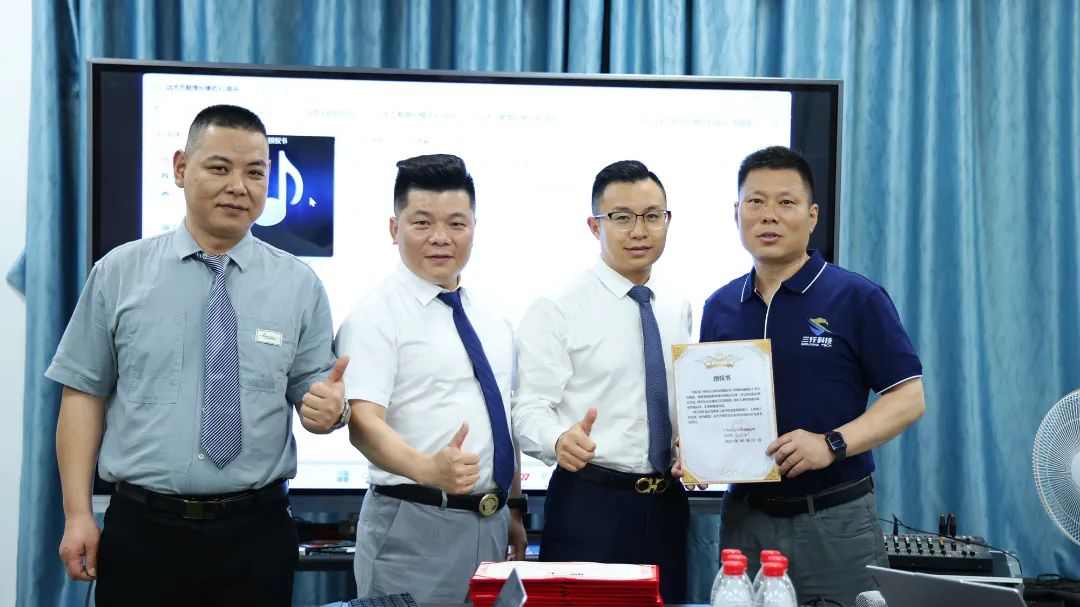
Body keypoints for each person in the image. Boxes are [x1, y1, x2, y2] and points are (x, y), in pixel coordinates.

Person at [46, 104, 349, 607]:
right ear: (181, 168)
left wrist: (330, 411)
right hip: (144, 533)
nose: (238, 186)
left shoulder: (299, 285)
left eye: (255, 173)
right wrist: (77, 514)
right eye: (220, 167)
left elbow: (315, 394)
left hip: (257, 535)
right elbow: (83, 395)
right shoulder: (119, 273)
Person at [694, 145, 926, 606]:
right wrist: (698, 450)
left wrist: (830, 444)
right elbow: (709, 405)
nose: (769, 215)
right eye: (756, 202)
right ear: (736, 213)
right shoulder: (720, 306)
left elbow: (908, 398)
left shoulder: (856, 297)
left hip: (835, 520)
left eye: (786, 202)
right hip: (745, 520)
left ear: (812, 215)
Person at [334, 154, 527, 604]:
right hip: (412, 526)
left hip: (493, 524)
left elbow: (502, 419)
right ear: (394, 228)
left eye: (457, 223)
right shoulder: (373, 317)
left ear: (474, 228)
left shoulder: (491, 316)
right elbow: (362, 424)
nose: (441, 237)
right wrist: (429, 470)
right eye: (422, 222)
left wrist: (515, 507)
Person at [512, 160, 691, 603]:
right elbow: (528, 409)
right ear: (595, 226)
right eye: (622, 217)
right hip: (590, 502)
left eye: (652, 216)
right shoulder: (557, 306)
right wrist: (558, 440)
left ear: (668, 221)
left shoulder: (676, 303)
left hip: (667, 504)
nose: (639, 231)